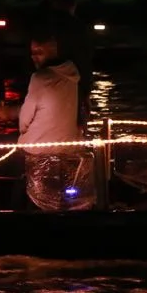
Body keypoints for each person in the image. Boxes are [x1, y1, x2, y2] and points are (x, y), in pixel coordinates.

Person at [19, 29, 91, 211]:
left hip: (40, 148)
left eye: (38, 52)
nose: (34, 57)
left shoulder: (39, 78)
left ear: (52, 51)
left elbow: (24, 121)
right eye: (32, 53)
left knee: (22, 179)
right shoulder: (74, 76)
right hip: (70, 146)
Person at [40, 0, 92, 129]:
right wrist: (86, 93)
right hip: (73, 88)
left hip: (44, 84)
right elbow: (85, 62)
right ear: (73, 3)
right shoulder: (78, 28)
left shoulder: (43, 25)